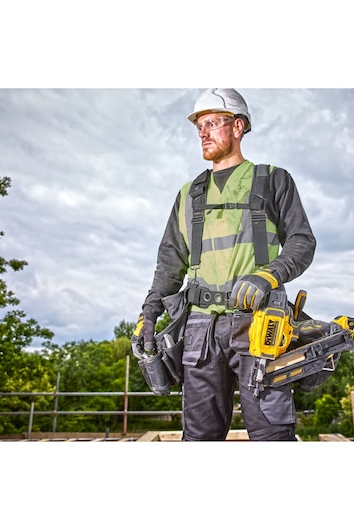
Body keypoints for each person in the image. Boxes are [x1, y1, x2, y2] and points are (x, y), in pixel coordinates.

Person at [133, 88, 316, 441]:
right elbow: (170, 262)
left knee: (271, 435)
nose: (203, 132)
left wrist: (268, 276)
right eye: (200, 126)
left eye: (213, 123)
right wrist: (150, 314)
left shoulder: (273, 180)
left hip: (260, 326)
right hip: (200, 331)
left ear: (238, 127)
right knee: (199, 438)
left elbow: (302, 241)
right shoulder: (189, 194)